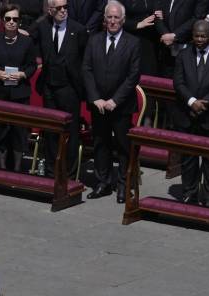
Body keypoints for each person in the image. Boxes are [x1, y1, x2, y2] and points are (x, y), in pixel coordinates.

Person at [83, 1, 141, 202]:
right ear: (104, 19)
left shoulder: (133, 43)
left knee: (123, 146)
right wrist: (95, 98)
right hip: (98, 105)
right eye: (109, 17)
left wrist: (115, 100)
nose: (113, 21)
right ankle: (103, 182)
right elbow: (87, 70)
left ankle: (124, 185)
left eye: (117, 17)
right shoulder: (94, 40)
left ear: (123, 20)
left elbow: (133, 76)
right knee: (100, 143)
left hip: (121, 105)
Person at [173, 19, 209, 205]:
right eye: (196, 36)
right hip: (187, 114)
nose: (199, 39)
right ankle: (190, 192)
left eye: (203, 36)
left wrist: (204, 103)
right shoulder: (183, 55)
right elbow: (178, 82)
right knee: (188, 157)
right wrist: (192, 102)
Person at [0, 4, 39, 172]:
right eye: (8, 19)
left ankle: (17, 169)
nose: (12, 22)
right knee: (0, 130)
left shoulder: (27, 42)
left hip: (19, 93)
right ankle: (1, 168)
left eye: (15, 19)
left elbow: (32, 65)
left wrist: (22, 74)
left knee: (18, 132)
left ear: (19, 22)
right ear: (2, 20)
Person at [34, 0, 87, 177]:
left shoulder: (78, 30)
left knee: (70, 132)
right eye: (59, 8)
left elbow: (84, 59)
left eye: (66, 7)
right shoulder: (42, 27)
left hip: (70, 88)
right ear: (50, 10)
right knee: (50, 130)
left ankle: (69, 174)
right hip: (49, 86)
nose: (63, 11)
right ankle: (50, 171)